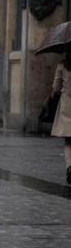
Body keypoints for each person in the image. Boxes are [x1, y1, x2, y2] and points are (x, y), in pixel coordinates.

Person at [51, 44, 71, 184]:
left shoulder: (62, 65)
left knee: (68, 140)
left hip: (67, 105)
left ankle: (70, 166)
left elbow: (56, 88)